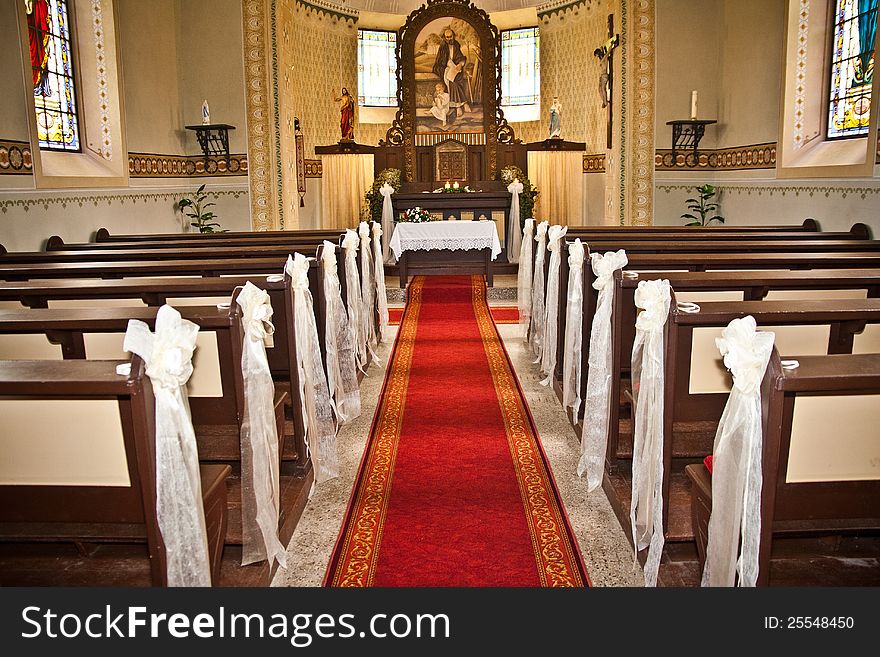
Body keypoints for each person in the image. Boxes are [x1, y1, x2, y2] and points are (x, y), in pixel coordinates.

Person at [432, 28, 471, 117]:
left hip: (455, 68)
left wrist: (460, 64)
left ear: (453, 36)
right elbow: (441, 60)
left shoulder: (456, 44)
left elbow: (460, 57)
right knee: (451, 80)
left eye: (450, 36)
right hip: (445, 68)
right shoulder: (443, 45)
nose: (449, 39)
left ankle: (459, 106)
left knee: (455, 80)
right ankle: (461, 105)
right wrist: (448, 64)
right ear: (444, 38)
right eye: (447, 37)